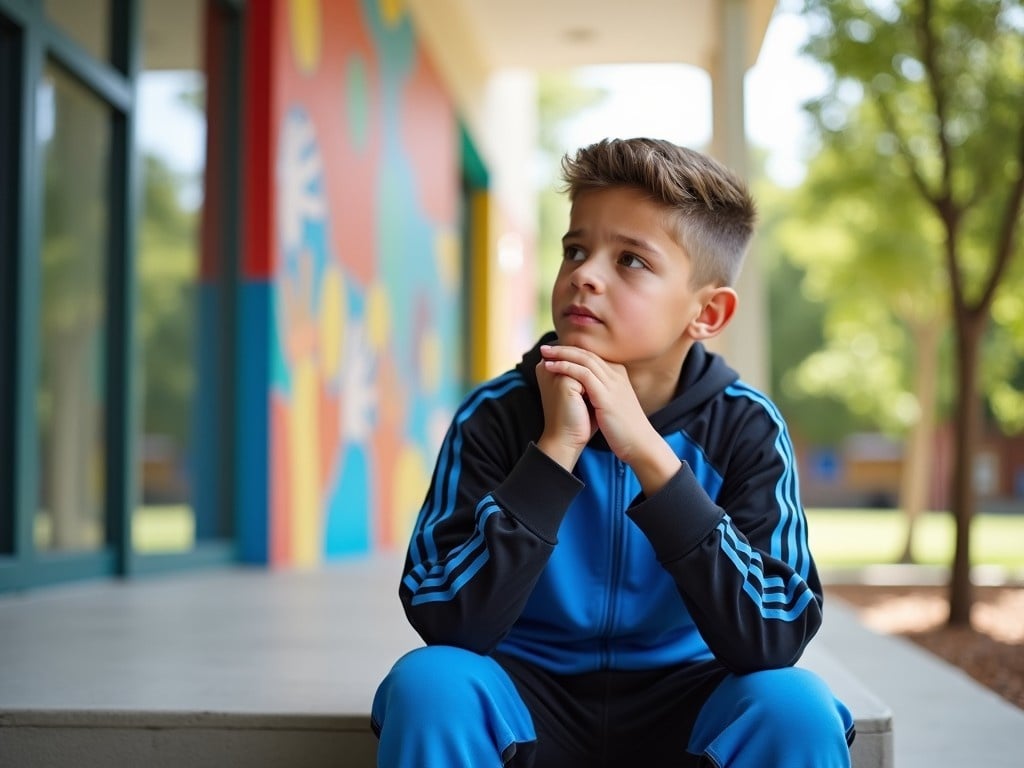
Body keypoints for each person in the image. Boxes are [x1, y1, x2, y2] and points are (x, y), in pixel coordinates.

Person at [371, 138, 854, 767]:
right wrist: (553, 450)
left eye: (630, 260)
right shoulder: (494, 417)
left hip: (689, 712)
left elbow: (775, 634)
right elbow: (445, 617)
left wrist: (654, 462)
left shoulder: (748, 429)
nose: (584, 274)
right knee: (431, 683)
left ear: (707, 312)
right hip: (526, 706)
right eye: (576, 248)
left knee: (794, 704)